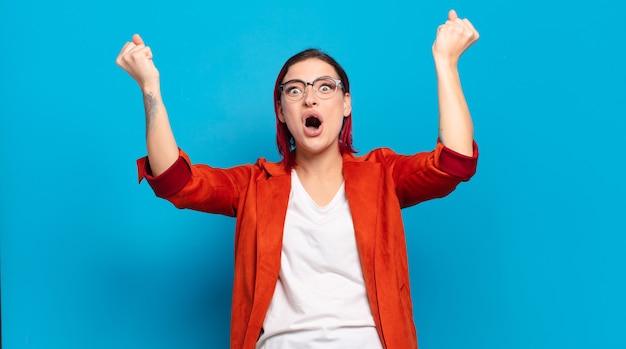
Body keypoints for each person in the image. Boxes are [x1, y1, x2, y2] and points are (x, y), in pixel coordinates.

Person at [116, 9, 479, 349]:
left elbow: (455, 164)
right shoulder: (254, 185)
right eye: (295, 90)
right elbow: (174, 181)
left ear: (346, 103)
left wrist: (446, 63)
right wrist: (150, 86)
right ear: (281, 111)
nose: (309, 99)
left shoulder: (382, 174)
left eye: (325, 87)